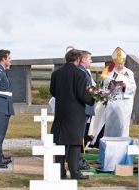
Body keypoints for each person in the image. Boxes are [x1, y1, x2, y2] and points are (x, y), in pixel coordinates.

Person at [50, 48, 94, 180]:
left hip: (61, 111)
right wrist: (92, 99)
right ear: (78, 60)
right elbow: (82, 95)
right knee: (74, 143)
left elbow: (53, 91)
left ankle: (59, 172)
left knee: (60, 141)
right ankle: (75, 173)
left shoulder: (56, 73)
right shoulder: (79, 74)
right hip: (75, 113)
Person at [89, 47, 136, 143]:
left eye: (122, 63)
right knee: (110, 124)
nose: (120, 65)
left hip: (124, 103)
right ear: (114, 62)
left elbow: (133, 87)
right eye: (118, 63)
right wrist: (111, 85)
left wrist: (125, 85)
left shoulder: (129, 72)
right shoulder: (108, 71)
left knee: (122, 125)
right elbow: (103, 85)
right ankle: (108, 143)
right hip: (112, 101)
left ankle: (122, 143)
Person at [78, 50, 95, 169]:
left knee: (82, 134)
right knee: (79, 135)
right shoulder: (81, 72)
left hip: (86, 108)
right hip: (83, 107)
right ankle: (78, 159)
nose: (91, 61)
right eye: (89, 59)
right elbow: (84, 90)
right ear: (83, 60)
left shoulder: (85, 71)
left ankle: (78, 158)